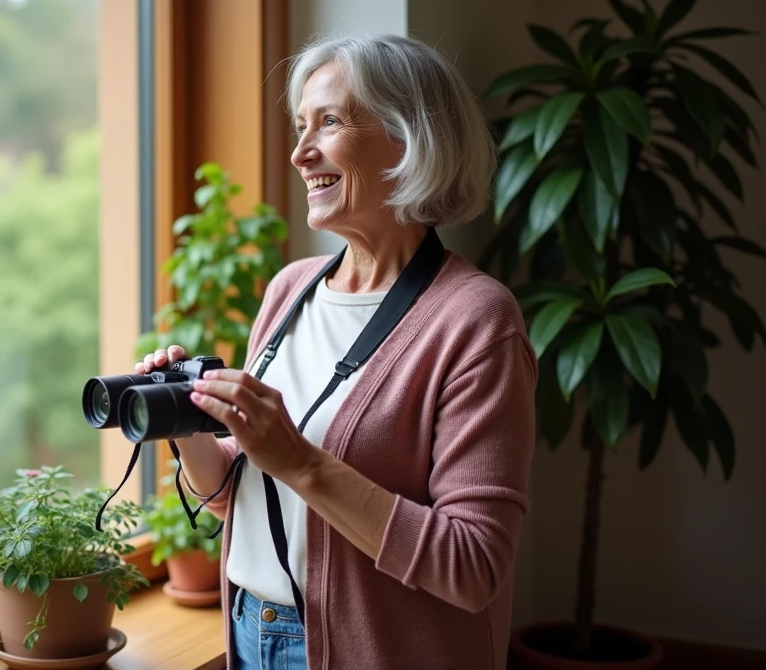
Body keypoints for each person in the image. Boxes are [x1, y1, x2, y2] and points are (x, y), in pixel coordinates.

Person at [134, 34, 537, 670]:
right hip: (249, 630)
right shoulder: (290, 289)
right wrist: (189, 422)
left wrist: (300, 459)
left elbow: (473, 565)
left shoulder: (477, 320)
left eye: (330, 121)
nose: (300, 152)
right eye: (300, 125)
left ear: (408, 141)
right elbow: (240, 491)